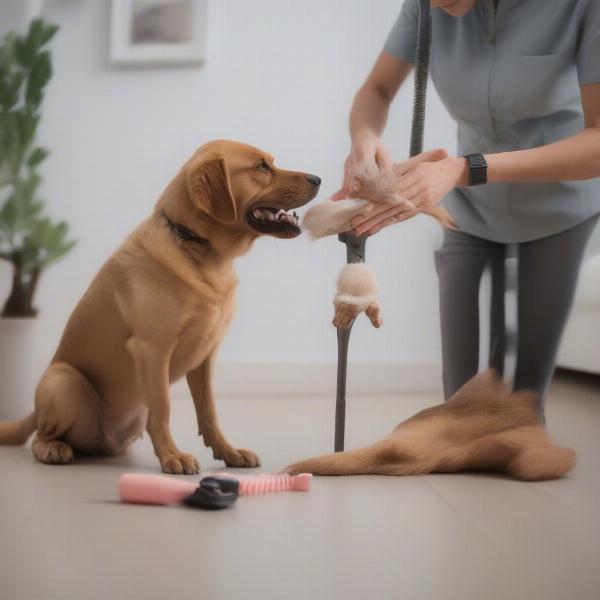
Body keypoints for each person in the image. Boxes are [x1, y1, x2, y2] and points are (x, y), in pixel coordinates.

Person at [333, 0, 600, 411]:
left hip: (559, 209)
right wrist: (364, 140)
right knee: (460, 407)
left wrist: (464, 169)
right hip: (471, 211)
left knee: (520, 408)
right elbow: (378, 89)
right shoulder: (426, 6)